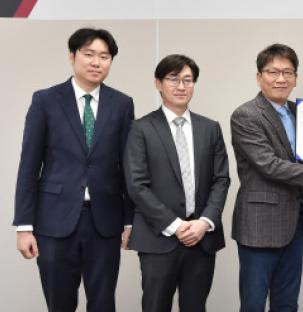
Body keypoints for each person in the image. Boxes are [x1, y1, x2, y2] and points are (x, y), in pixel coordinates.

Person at [13, 28, 134, 312]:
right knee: (60, 304)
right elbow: (29, 166)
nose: (96, 62)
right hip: (53, 221)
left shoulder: (122, 104)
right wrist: (24, 226)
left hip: (104, 222)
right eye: (89, 54)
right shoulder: (45, 100)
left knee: (103, 304)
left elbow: (128, 167)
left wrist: (130, 221)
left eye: (104, 56)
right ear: (72, 56)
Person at [230, 43, 303, 312]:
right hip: (260, 225)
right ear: (259, 77)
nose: (281, 79)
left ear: (296, 78)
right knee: (253, 304)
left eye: (288, 72)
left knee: (287, 303)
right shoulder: (246, 115)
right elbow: (269, 165)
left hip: (294, 222)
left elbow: (298, 157)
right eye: (273, 72)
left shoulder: (300, 113)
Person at [123, 54, 230, 312]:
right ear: (158, 83)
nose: (181, 86)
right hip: (158, 238)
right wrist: (176, 225)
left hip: (201, 238)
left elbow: (221, 179)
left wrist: (204, 222)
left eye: (188, 80)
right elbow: (137, 185)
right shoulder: (140, 128)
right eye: (173, 79)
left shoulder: (210, 128)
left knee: (196, 307)